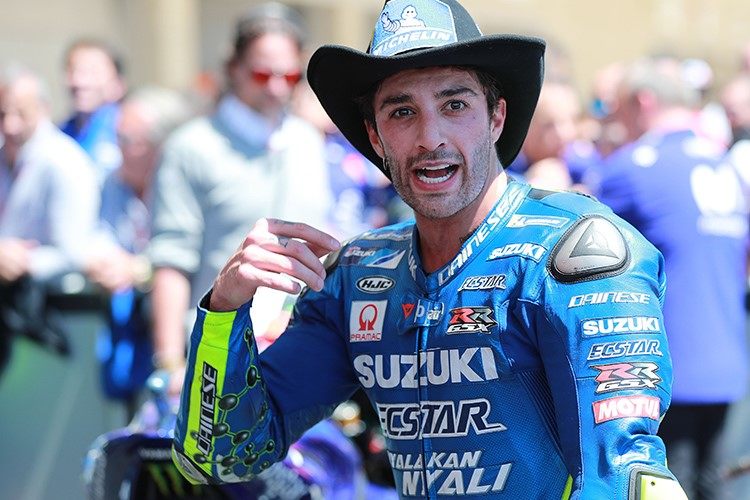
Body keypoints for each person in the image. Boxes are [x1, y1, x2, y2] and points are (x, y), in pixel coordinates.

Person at [171, 1, 688, 498]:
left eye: (454, 105)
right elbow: (217, 458)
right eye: (402, 112)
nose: (429, 137)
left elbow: (623, 477)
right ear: (375, 137)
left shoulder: (575, 256)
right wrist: (223, 311)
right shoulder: (357, 276)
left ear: (496, 118)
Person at [147, 2, 332, 384]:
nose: (277, 87)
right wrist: (169, 365)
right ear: (234, 68)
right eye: (262, 74)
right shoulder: (191, 147)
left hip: (300, 349)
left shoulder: (307, 140)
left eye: (290, 75)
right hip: (218, 350)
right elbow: (171, 260)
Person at [590, 57, 749, 500]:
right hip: (727, 361)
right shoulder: (725, 164)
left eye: (619, 108)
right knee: (714, 485)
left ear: (643, 101)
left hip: (662, 365)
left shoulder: (634, 166)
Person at [0, 64, 99, 374]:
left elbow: (72, 252)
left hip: (56, 319)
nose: (10, 124)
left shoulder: (64, 162)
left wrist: (20, 261)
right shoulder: (6, 155)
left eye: (21, 113)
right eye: (3, 114)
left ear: (43, 109)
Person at [60, 38, 127, 183]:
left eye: (92, 72)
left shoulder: (126, 134)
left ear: (118, 84)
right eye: (72, 71)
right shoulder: (60, 135)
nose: (79, 82)